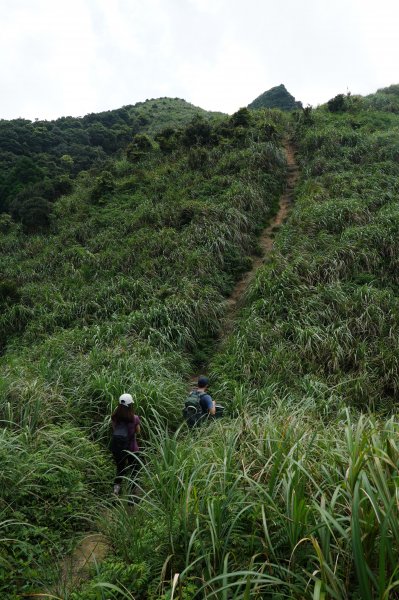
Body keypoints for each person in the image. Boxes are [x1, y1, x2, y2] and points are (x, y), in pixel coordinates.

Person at [110, 393, 141, 496]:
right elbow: (138, 432)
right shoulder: (135, 418)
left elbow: (114, 430)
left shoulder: (114, 417)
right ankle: (133, 493)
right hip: (132, 448)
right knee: (134, 470)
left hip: (119, 448)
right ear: (130, 405)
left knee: (120, 469)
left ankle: (116, 490)